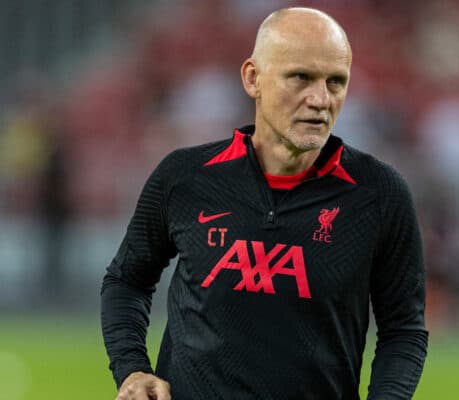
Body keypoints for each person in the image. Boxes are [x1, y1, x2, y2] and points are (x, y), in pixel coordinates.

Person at [101, 7, 428, 400]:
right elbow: (127, 280)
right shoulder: (186, 177)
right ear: (253, 78)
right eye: (301, 78)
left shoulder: (379, 194)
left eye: (336, 82)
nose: (321, 99)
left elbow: (403, 329)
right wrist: (132, 369)